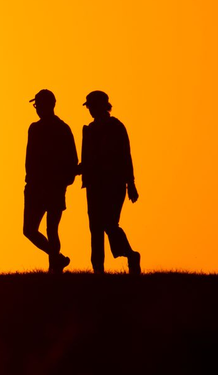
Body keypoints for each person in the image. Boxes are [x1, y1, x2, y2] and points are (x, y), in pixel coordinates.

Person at [79, 91, 141, 274]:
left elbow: (125, 156)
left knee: (109, 224)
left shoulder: (116, 127)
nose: (90, 109)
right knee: (95, 227)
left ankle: (130, 254)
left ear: (102, 105)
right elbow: (87, 161)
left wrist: (131, 184)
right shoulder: (88, 130)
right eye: (88, 106)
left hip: (114, 184)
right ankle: (98, 269)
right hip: (93, 186)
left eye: (91, 105)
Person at [23, 89, 78, 273]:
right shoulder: (38, 128)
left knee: (50, 229)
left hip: (51, 186)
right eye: (36, 105)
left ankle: (55, 265)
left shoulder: (60, 128)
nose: (37, 109)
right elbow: (29, 158)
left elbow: (72, 159)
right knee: (31, 230)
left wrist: (64, 181)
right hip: (38, 187)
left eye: (39, 105)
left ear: (50, 105)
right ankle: (57, 259)